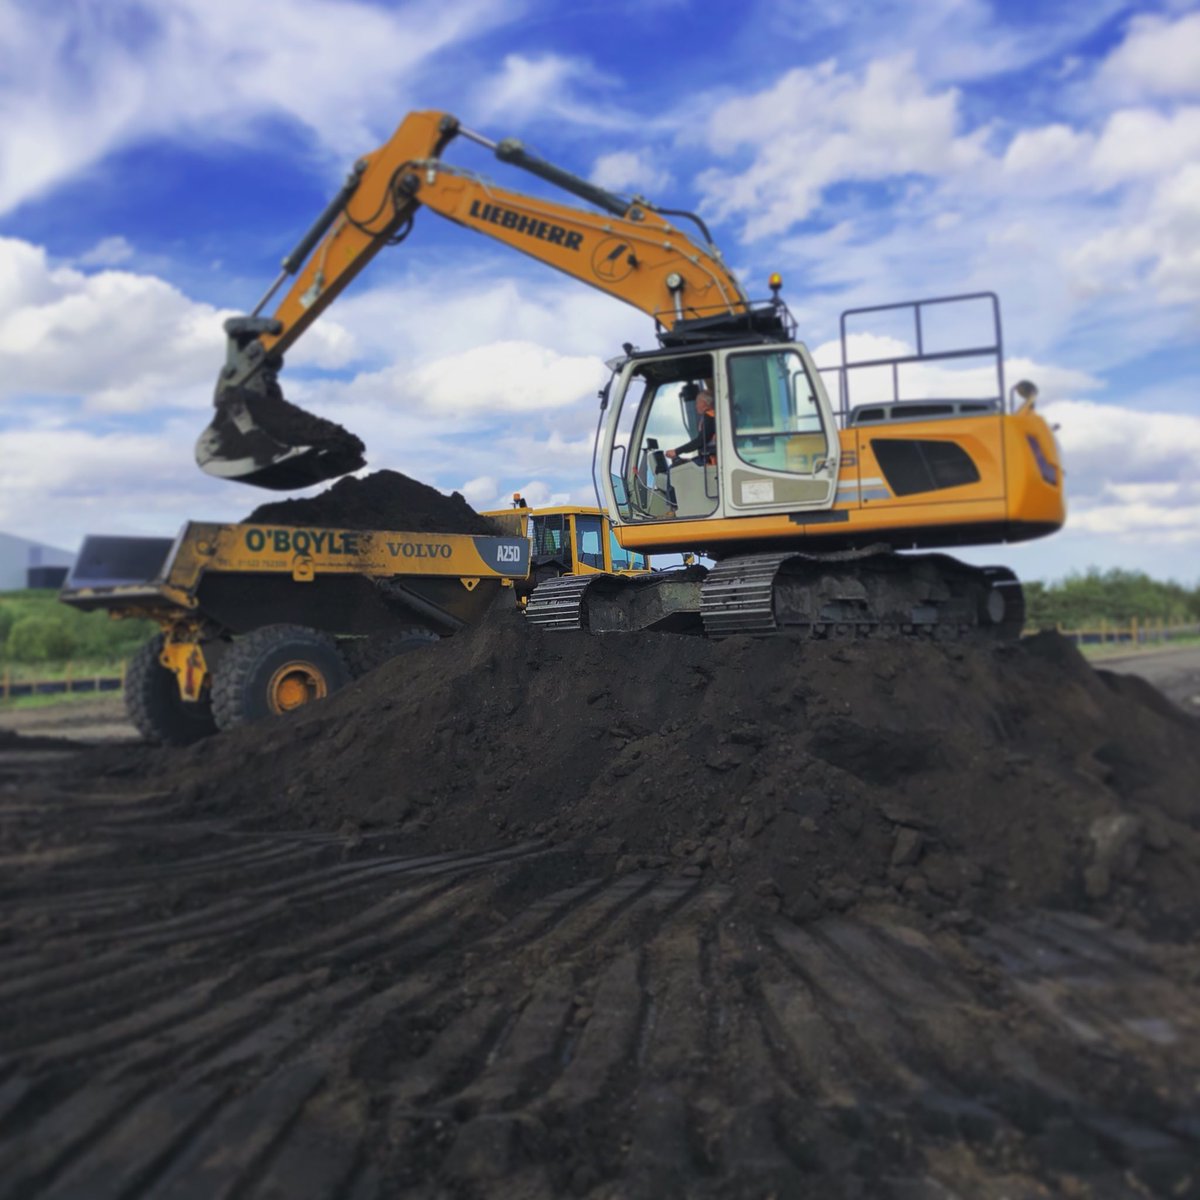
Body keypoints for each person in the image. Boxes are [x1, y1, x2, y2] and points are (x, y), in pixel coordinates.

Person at [666, 381, 716, 464]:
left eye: (697, 403)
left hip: (712, 461)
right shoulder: (712, 416)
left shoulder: (710, 416)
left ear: (704, 403)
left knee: (673, 470)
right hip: (708, 457)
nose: (696, 406)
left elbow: (700, 441)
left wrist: (676, 451)